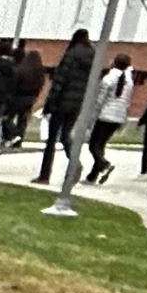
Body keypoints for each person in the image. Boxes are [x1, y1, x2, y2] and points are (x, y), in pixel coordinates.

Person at [36, 28, 95, 185]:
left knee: (51, 140)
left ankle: (44, 175)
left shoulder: (72, 54)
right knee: (65, 136)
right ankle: (75, 162)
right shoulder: (93, 57)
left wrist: (49, 104)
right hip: (77, 102)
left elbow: (60, 81)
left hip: (62, 102)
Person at [88, 49, 134, 181]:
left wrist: (93, 115)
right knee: (101, 144)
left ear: (114, 63)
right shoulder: (129, 81)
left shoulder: (108, 78)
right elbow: (127, 101)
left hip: (105, 115)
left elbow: (100, 100)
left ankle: (104, 164)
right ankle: (93, 175)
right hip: (118, 116)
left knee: (94, 144)